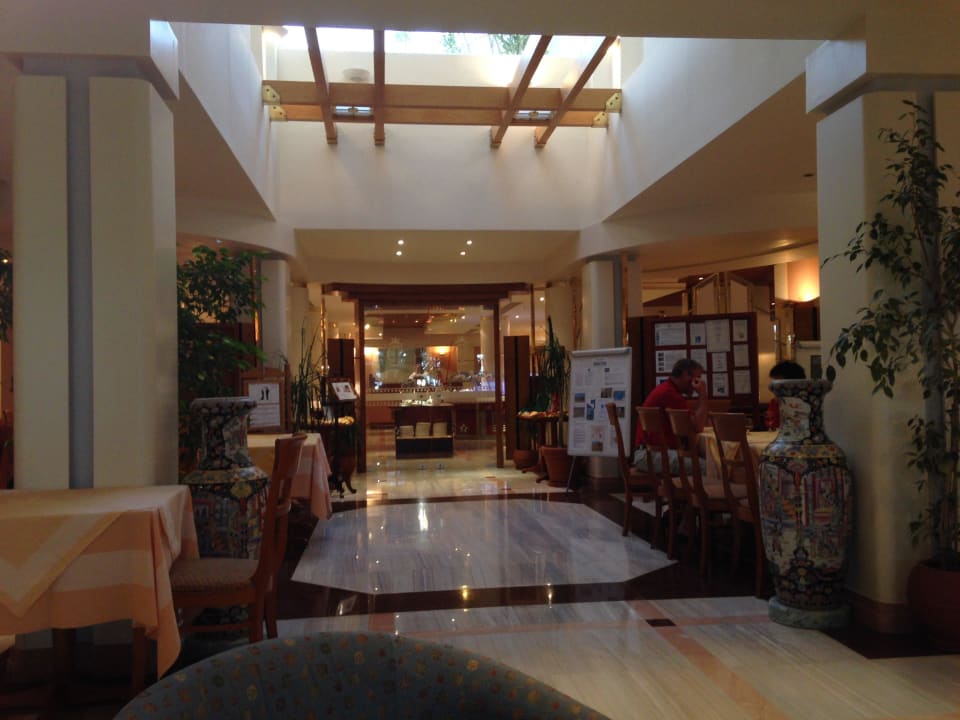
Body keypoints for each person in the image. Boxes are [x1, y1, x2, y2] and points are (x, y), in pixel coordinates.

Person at [632, 358, 708, 474]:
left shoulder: (667, 389)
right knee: (709, 467)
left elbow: (694, 424)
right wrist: (702, 394)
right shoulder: (670, 394)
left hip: (648, 453)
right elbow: (698, 426)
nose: (698, 383)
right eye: (697, 378)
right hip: (650, 455)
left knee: (703, 460)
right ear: (686, 375)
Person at [765, 360, 806, 430]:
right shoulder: (774, 403)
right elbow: (772, 426)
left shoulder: (806, 403)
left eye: (780, 385)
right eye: (774, 385)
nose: (775, 389)